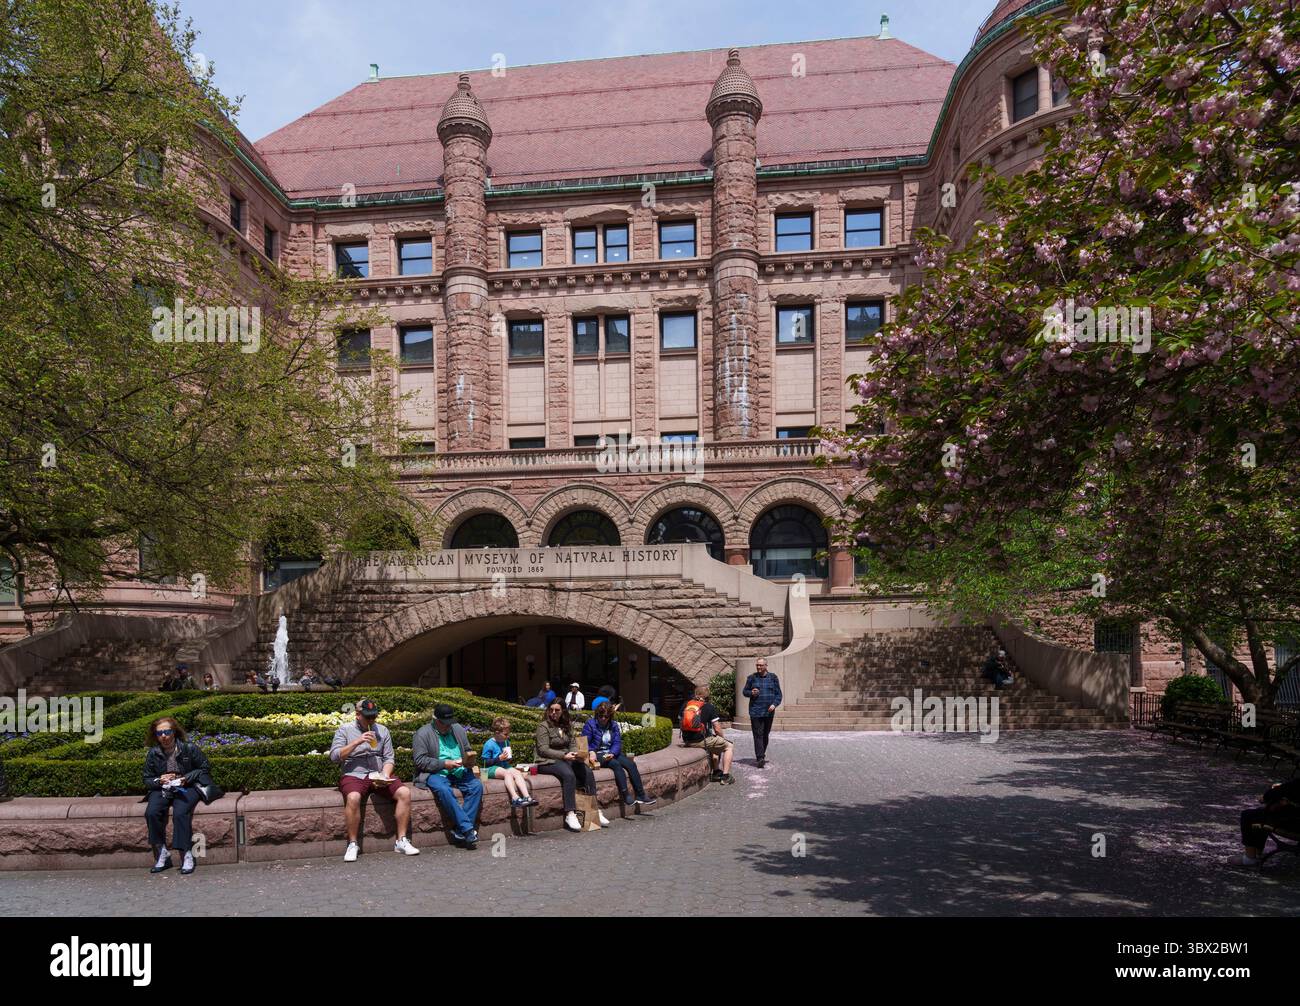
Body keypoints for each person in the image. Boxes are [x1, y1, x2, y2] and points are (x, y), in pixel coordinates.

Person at [329, 698, 419, 862]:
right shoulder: (345, 730)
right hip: (354, 773)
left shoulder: (382, 730)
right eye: (367, 717)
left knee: (404, 792)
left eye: (374, 716)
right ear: (357, 715)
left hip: (378, 773)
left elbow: (389, 758)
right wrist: (357, 741)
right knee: (353, 797)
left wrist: (385, 775)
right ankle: (353, 844)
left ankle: (401, 840)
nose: (371, 720)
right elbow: (335, 756)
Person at [142, 716, 215, 875]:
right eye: (159, 733)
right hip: (163, 788)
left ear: (174, 732)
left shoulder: (189, 748)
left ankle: (187, 854)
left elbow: (204, 768)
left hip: (187, 787)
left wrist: (185, 778)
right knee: (151, 812)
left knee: (180, 813)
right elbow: (146, 778)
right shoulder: (153, 753)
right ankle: (162, 853)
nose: (164, 736)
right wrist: (159, 780)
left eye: (167, 732)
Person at [413, 703, 484, 849]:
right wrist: (444, 764)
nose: (448, 726)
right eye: (444, 723)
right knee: (444, 790)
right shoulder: (422, 733)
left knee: (476, 786)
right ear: (436, 720)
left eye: (450, 723)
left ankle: (460, 830)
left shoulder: (457, 729)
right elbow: (420, 761)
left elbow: (467, 749)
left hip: (460, 770)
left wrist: (469, 759)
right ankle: (468, 830)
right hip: (436, 773)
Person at [535, 700, 607, 830]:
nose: (553, 713)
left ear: (563, 711)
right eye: (551, 710)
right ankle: (570, 813)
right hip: (547, 761)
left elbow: (572, 743)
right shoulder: (543, 726)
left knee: (587, 771)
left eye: (557, 710)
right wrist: (564, 755)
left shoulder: (567, 725)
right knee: (568, 775)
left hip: (566, 758)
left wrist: (576, 754)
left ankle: (593, 810)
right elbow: (543, 750)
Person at [582, 701, 656, 808]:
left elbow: (617, 742)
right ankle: (626, 795)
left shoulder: (613, 725)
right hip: (597, 753)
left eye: (606, 716)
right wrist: (591, 751)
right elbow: (584, 742)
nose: (603, 718)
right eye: (600, 716)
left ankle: (641, 795)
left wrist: (612, 752)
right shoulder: (590, 724)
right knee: (615, 764)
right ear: (597, 714)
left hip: (611, 752)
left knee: (631, 764)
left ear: (610, 716)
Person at [1239, 779, 1300, 866]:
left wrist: (1268, 796)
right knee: (1262, 813)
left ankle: (1249, 858)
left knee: (1248, 815)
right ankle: (1258, 853)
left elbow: (1272, 794)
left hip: (1295, 825)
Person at [681, 685, 734, 784]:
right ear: (707, 696)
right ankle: (725, 777)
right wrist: (722, 739)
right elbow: (717, 729)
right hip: (700, 740)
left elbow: (681, 721)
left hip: (687, 740)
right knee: (728, 746)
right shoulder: (709, 707)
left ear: (695, 694)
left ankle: (716, 771)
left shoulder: (686, 705)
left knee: (714, 740)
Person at [481, 716, 538, 808]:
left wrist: (508, 758)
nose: (508, 736)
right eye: (505, 734)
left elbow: (507, 759)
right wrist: (498, 759)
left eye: (508, 734)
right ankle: (515, 798)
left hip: (503, 765)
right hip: (490, 768)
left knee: (517, 773)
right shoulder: (489, 744)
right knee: (507, 773)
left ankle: (527, 797)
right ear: (497, 733)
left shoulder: (506, 742)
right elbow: (485, 762)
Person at [742, 658, 782, 768]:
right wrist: (751, 692)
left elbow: (779, 694)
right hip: (755, 711)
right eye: (757, 665)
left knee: (765, 734)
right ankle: (760, 757)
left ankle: (761, 754)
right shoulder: (751, 678)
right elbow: (744, 692)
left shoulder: (773, 678)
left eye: (761, 665)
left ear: (766, 666)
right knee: (758, 734)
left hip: (769, 712)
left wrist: (774, 704)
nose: (759, 667)